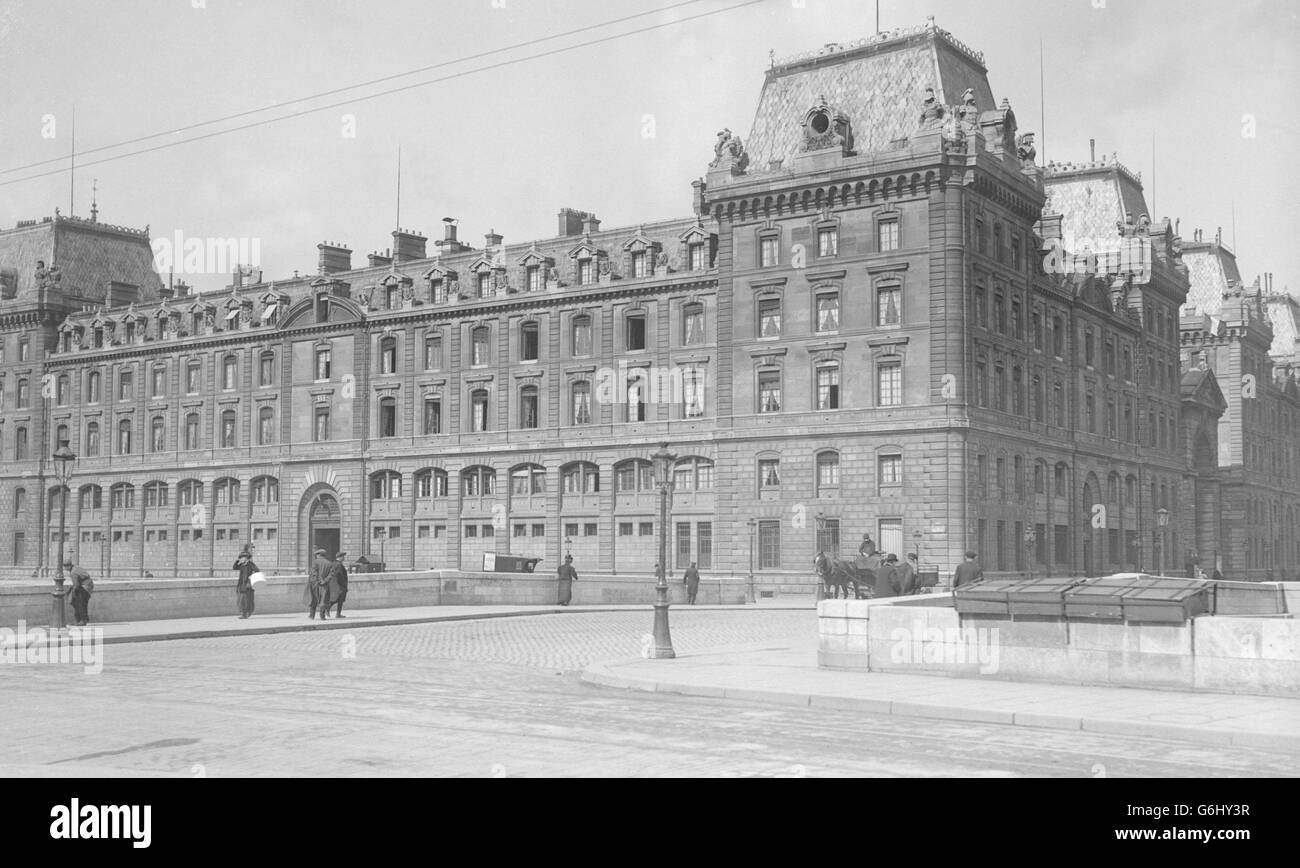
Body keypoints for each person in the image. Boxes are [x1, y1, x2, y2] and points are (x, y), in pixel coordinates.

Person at [63, 558, 93, 626]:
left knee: (80, 603)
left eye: (66, 565)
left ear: (69, 565)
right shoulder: (75, 568)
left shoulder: (73, 572)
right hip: (87, 586)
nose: (65, 567)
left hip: (85, 587)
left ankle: (82, 620)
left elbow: (76, 585)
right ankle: (81, 620)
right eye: (64, 565)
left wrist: (71, 593)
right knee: (80, 603)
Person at [234, 546, 259, 619]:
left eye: (243, 557)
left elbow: (257, 571)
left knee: (246, 600)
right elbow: (234, 567)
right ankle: (244, 613)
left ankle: (246, 613)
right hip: (241, 585)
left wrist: (251, 578)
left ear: (247, 558)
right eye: (241, 557)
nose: (242, 558)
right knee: (241, 600)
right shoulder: (242, 565)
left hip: (248, 585)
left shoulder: (250, 564)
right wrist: (237, 561)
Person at [305, 548, 329, 618]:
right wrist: (324, 581)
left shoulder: (315, 562)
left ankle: (312, 615)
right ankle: (322, 616)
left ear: (319, 555)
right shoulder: (328, 563)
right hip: (324, 584)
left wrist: (317, 581)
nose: (316, 556)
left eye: (316, 555)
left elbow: (314, 573)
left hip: (315, 583)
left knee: (313, 598)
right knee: (323, 599)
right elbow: (331, 574)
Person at [330, 552, 350, 618]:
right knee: (340, 599)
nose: (344, 558)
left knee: (337, 599)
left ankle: (328, 609)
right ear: (340, 557)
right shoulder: (339, 565)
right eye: (343, 557)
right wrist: (344, 586)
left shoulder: (333, 563)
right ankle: (337, 614)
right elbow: (341, 576)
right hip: (340, 586)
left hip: (334, 585)